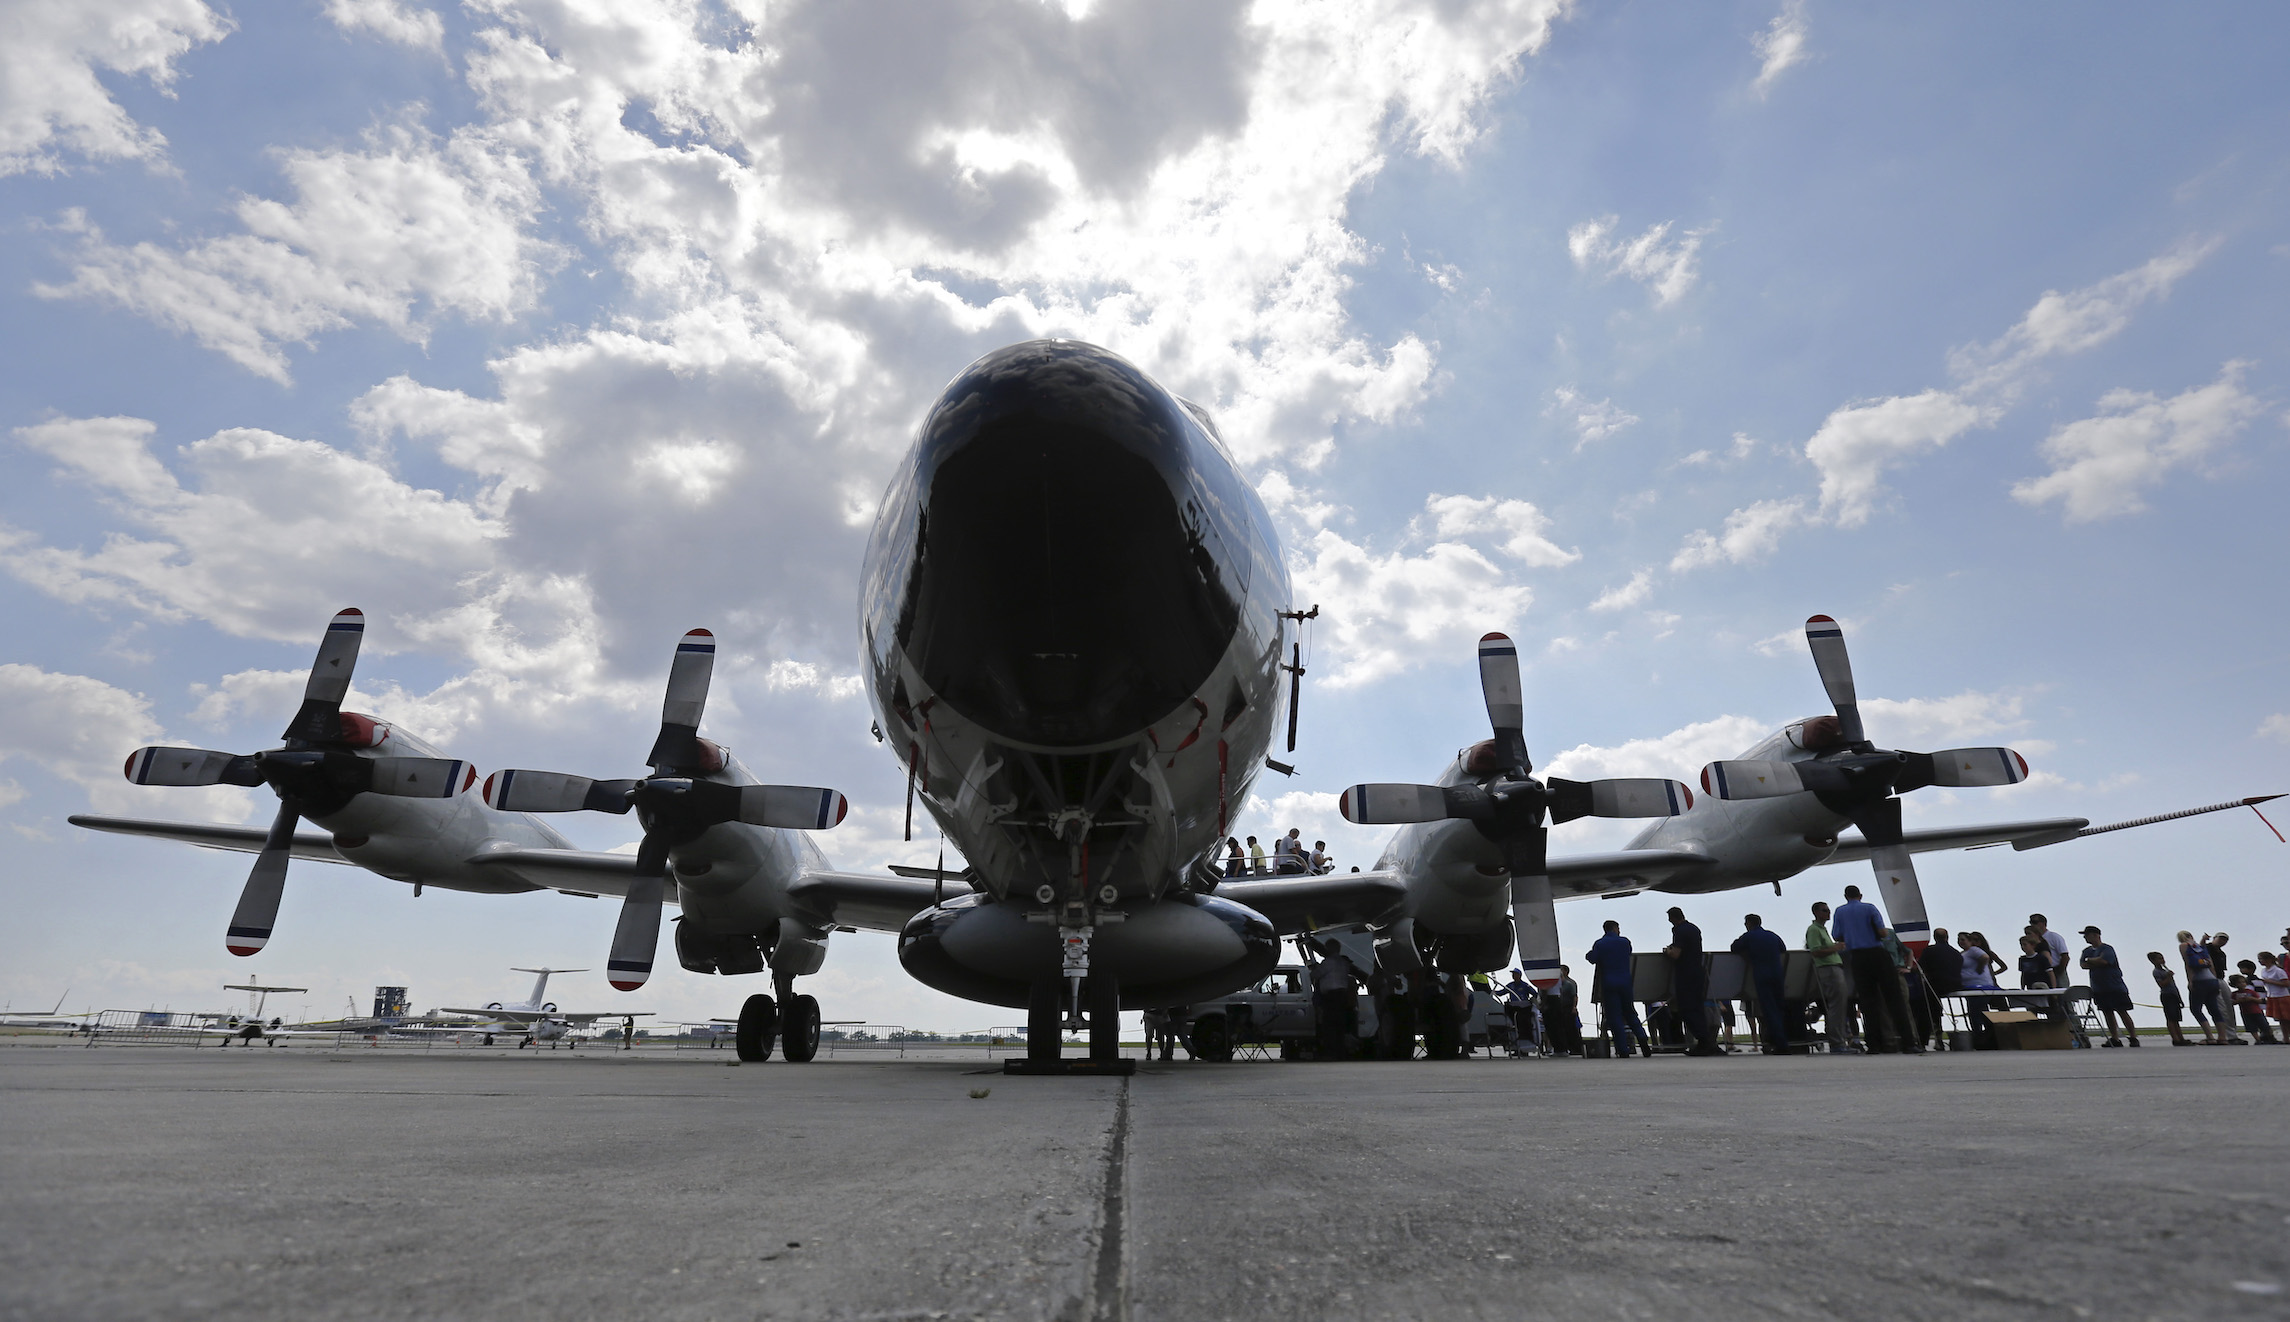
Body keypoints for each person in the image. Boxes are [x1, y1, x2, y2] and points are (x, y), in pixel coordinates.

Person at [1833, 886, 1916, 1054]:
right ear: (1860, 895)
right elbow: (1882, 932)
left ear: (1845, 896)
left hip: (1857, 957)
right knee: (1894, 999)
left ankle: (1874, 1044)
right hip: (1877, 954)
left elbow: (1837, 935)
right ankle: (1908, 1043)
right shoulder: (1869, 908)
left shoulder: (1839, 912)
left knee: (1867, 1002)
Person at [1585, 920, 1650, 1058]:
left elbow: (1593, 958)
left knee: (1615, 1018)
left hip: (1609, 983)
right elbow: (1628, 953)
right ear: (1615, 928)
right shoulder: (1625, 942)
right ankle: (1643, 1041)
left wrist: (1589, 954)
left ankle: (1623, 1049)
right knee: (1631, 1013)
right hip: (1626, 982)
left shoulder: (1600, 944)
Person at [1663, 907, 1721, 1056]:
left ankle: (1703, 1041)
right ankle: (1707, 1042)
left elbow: (1676, 954)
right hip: (1698, 972)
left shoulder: (1679, 931)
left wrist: (1667, 951)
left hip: (1685, 974)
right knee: (1697, 1008)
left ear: (1673, 918)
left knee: (1687, 1009)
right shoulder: (1694, 928)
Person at [1731, 914, 1790, 1054]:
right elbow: (1783, 949)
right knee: (1779, 1008)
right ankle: (1784, 1040)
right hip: (1777, 974)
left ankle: (1779, 1044)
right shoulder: (1772, 935)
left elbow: (1734, 947)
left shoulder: (1749, 936)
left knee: (1769, 1010)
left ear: (1749, 924)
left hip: (1761, 975)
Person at [1806, 901, 1859, 1054]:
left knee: (1840, 1006)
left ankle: (1839, 1041)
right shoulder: (1814, 930)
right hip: (1828, 969)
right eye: (1824, 910)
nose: (1828, 913)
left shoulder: (1822, 930)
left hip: (1834, 967)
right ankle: (1837, 1043)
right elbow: (1815, 951)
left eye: (1828, 910)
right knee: (1836, 1006)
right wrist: (1835, 948)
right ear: (1816, 912)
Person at [2078, 927, 2138, 1047]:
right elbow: (2083, 965)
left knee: (2122, 1011)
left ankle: (2133, 1037)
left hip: (2115, 986)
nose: (2085, 937)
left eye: (2087, 935)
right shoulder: (2086, 950)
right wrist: (2094, 961)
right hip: (2099, 988)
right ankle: (2115, 1038)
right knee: (2107, 1013)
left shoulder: (2107, 949)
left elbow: (2104, 961)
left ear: (2096, 935)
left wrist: (2091, 960)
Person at [1307, 937, 1360, 1059]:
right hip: (1342, 995)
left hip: (1331, 996)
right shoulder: (1343, 963)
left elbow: (1315, 974)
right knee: (1340, 1024)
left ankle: (1331, 1051)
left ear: (1330, 948)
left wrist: (1314, 969)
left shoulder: (1329, 962)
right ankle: (1340, 1051)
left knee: (1329, 1024)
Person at [2180, 931, 2231, 1044]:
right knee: (2214, 1009)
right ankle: (2222, 1037)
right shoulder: (2202, 948)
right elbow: (2211, 965)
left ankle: (2210, 1037)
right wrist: (2215, 980)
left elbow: (2188, 964)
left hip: (2200, 981)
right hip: (2212, 980)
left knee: (2196, 1009)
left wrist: (2190, 981)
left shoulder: (2184, 946)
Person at [1960, 931, 2006, 1050]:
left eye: (1976, 940)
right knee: (1981, 1011)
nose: (1975, 943)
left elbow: (2002, 965)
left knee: (1993, 1011)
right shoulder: (1967, 953)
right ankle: (1986, 1038)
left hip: (1986, 984)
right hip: (1974, 985)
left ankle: (1993, 1036)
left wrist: (1987, 972)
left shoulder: (1982, 952)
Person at [2147, 951, 2191, 1046]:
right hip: (2167, 996)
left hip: (2174, 995)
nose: (2162, 960)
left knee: (2176, 1019)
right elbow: (2162, 985)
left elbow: (2174, 986)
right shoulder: (2156, 972)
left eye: (2162, 958)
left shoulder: (2165, 971)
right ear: (2153, 961)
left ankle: (2181, 1038)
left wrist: (2180, 999)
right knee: (2171, 1018)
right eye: (2159, 959)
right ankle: (2175, 1039)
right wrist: (2168, 977)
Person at [2232, 962, 2279, 1044]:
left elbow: (2251, 993)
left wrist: (2250, 999)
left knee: (2262, 1023)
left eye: (2242, 968)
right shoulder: (2258, 980)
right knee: (2260, 1023)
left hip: (2255, 1006)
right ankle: (2265, 1038)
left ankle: (2266, 1037)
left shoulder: (2250, 982)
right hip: (2254, 1006)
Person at [1543, 965, 1583, 1056]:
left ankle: (1575, 1048)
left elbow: (1574, 996)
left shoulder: (1570, 984)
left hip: (1568, 1008)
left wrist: (1574, 1007)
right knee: (1562, 1028)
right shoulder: (1557, 984)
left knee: (1571, 1028)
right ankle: (1565, 1047)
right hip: (1561, 1008)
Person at [2031, 913, 2071, 988]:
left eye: (2034, 922)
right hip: (2041, 972)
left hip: (2056, 969)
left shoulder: (2053, 936)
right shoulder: (2033, 939)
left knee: (2060, 995)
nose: (2032, 925)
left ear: (2043, 923)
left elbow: (2065, 956)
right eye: (2031, 922)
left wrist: (2059, 971)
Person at [2259, 950, 2290, 1040]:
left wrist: (2270, 981)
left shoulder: (2278, 971)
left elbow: (2286, 984)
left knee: (2287, 1018)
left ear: (2268, 959)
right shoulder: (2264, 971)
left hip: (2282, 996)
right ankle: (2286, 1038)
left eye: (2261, 959)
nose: (2260, 961)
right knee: (2280, 1019)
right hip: (2272, 996)